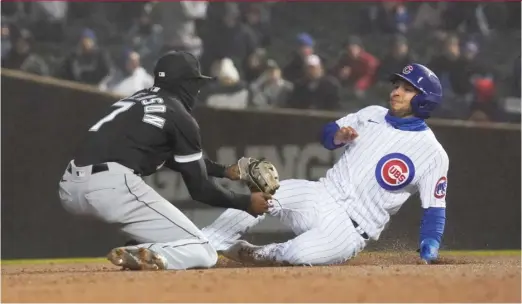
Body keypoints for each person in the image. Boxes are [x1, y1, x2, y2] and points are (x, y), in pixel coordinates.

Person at [201, 63, 448, 266]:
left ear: (424, 100)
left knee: (298, 255)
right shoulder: (372, 113)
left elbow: (434, 208)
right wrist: (337, 137)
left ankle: (259, 253)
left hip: (351, 228)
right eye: (396, 86)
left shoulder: (432, 153)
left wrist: (431, 244)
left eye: (407, 89)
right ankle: (204, 242)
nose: (396, 92)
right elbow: (328, 133)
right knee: (267, 192)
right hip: (321, 195)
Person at [57, 51, 271, 271]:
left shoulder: (135, 100)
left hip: (70, 188)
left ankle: (142, 247)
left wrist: (224, 171)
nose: (197, 90)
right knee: (203, 251)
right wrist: (246, 203)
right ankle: (145, 251)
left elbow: (165, 155)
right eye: (195, 83)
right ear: (185, 83)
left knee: (176, 238)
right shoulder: (179, 115)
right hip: (110, 188)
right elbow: (201, 190)